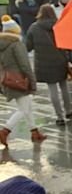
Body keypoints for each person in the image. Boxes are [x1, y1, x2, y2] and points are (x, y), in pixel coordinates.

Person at [25, 3, 72, 126]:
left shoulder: (34, 28)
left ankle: (59, 117)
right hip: (60, 60)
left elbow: (28, 47)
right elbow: (66, 43)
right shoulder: (58, 25)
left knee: (52, 89)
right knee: (64, 87)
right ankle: (68, 111)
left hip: (43, 63)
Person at [0, 15, 44, 145]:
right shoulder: (16, 45)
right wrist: (32, 82)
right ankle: (5, 131)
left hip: (8, 79)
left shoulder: (2, 44)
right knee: (23, 109)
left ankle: (34, 131)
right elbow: (25, 65)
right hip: (19, 80)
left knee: (27, 106)